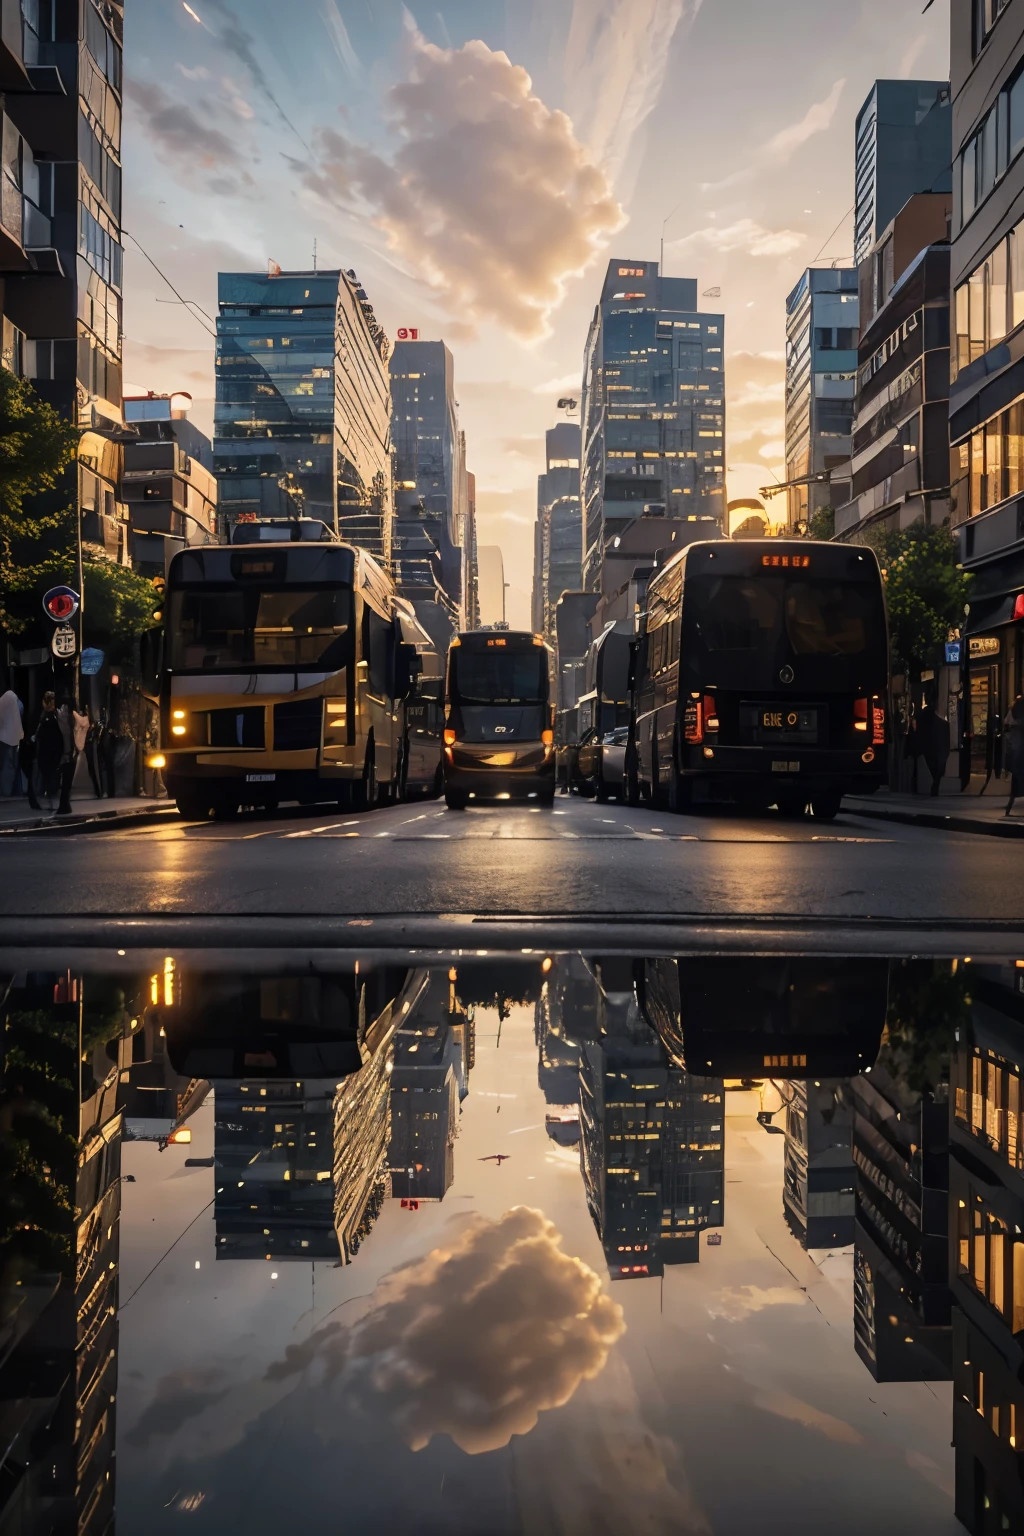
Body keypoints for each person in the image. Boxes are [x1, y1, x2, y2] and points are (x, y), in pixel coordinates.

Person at [0, 688, 24, 796]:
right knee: (14, 765)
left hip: (5, 739)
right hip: (17, 738)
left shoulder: (3, 701)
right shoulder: (17, 702)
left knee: (7, 766)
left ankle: (6, 791)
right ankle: (16, 790)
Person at [1004, 694, 1024, 816]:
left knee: (1016, 780)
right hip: (1018, 749)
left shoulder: (1013, 714)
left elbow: (1006, 726)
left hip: (1017, 750)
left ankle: (1009, 808)